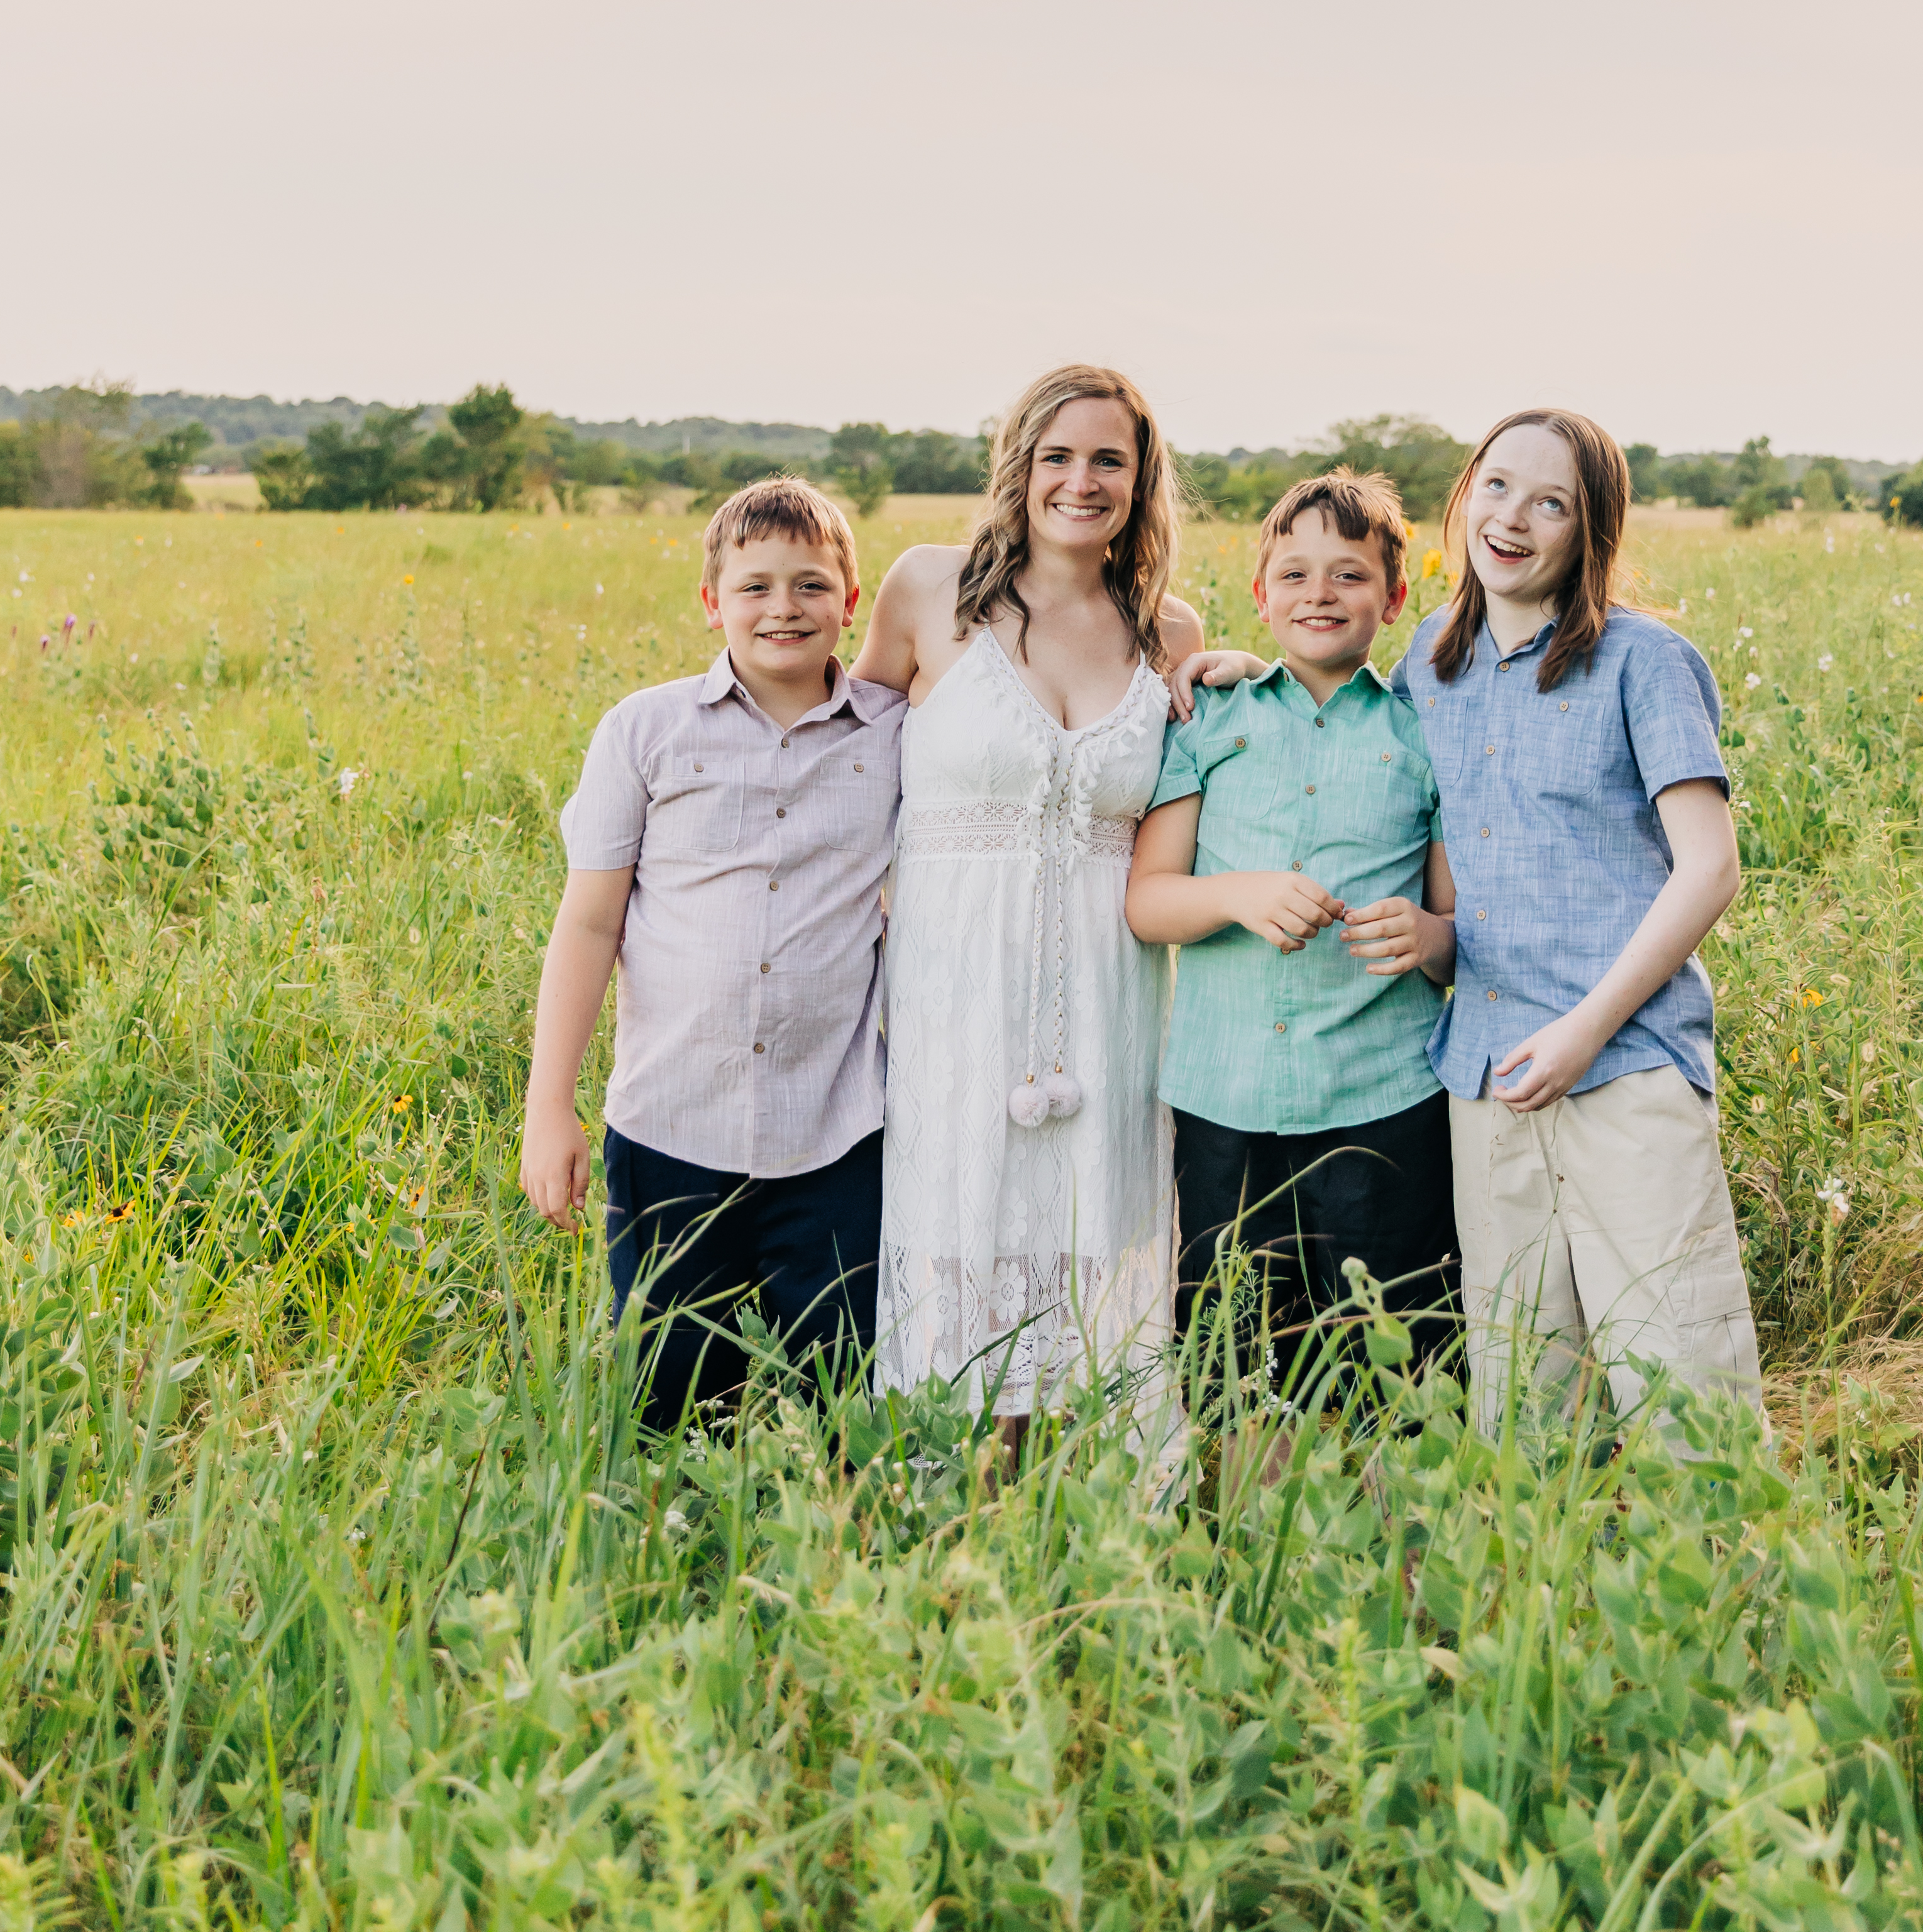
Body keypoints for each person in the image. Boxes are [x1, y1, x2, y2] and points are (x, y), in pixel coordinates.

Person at [1400, 406, 1761, 1424]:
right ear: (1466, 493)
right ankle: (1531, 1584)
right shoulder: (1429, 661)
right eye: (1498, 486)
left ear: (1588, 532)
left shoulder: (1645, 662)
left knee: (1684, 1380)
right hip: (1487, 1072)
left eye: (1551, 503)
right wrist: (1239, 675)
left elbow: (1710, 870)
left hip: (1625, 1067)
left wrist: (1585, 1029)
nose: (1513, 519)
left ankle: (1727, 1581)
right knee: (1520, 1387)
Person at [855, 362, 1205, 1410]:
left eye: (1110, 459)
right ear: (1020, 466)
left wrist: (1232, 676)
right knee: (961, 1221)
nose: (1081, 481)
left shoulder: (1170, 632)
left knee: (1094, 1232)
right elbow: (839, 760)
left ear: (1142, 482)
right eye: (1058, 456)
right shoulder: (928, 589)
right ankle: (954, 1503)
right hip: (952, 988)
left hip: (1109, 995)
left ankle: (1086, 1511)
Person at [520, 474, 902, 1429]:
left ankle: (829, 1548)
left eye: (812, 585)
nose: (785, 608)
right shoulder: (647, 730)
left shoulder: (898, 734)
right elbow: (589, 924)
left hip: (838, 1134)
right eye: (756, 586)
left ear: (851, 602)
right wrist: (548, 1109)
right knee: (674, 1401)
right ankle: (679, 1552)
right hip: (670, 1128)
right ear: (711, 602)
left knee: (843, 1396)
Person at [1127, 463, 1459, 1378]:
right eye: (1296, 574)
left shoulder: (1422, 737)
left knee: (1397, 1355)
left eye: (1350, 575)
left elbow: (1452, 930)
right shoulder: (1208, 717)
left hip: (1381, 1098)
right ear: (1259, 597)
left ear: (1393, 600)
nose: (1321, 592)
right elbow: (1148, 900)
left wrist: (1429, 939)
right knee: (1232, 1360)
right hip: (1223, 1100)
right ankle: (1245, 1512)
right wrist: (1238, 894)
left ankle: (1392, 1513)